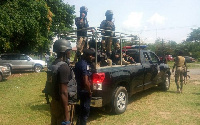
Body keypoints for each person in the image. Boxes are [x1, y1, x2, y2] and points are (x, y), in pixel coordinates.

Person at [50, 39, 72, 125]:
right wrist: (66, 118)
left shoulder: (53, 64)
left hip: (54, 103)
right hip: (62, 106)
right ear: (65, 51)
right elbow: (63, 92)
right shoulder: (63, 67)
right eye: (69, 51)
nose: (70, 53)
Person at [74, 48, 95, 125]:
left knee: (81, 109)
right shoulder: (84, 65)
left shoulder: (78, 63)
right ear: (85, 55)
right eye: (90, 55)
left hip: (79, 89)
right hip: (84, 90)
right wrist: (89, 91)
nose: (91, 57)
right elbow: (86, 81)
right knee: (85, 111)